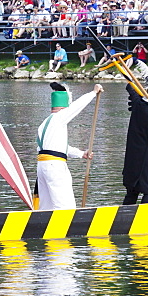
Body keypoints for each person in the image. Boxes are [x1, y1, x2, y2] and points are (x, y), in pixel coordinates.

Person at [35, 82, 103, 210]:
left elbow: (57, 148)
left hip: (42, 166)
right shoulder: (59, 117)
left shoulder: (44, 123)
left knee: (47, 207)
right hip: (55, 166)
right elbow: (77, 107)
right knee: (65, 206)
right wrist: (93, 93)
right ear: (64, 106)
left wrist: (80, 153)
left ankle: (46, 228)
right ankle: (67, 228)